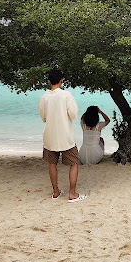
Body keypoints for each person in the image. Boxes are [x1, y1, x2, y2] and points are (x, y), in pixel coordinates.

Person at [38, 69, 86, 202]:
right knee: (74, 163)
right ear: (62, 80)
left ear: (48, 81)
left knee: (52, 163)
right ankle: (72, 193)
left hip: (50, 136)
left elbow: (43, 117)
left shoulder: (44, 97)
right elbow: (74, 114)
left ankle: (55, 192)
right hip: (65, 136)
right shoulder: (66, 95)